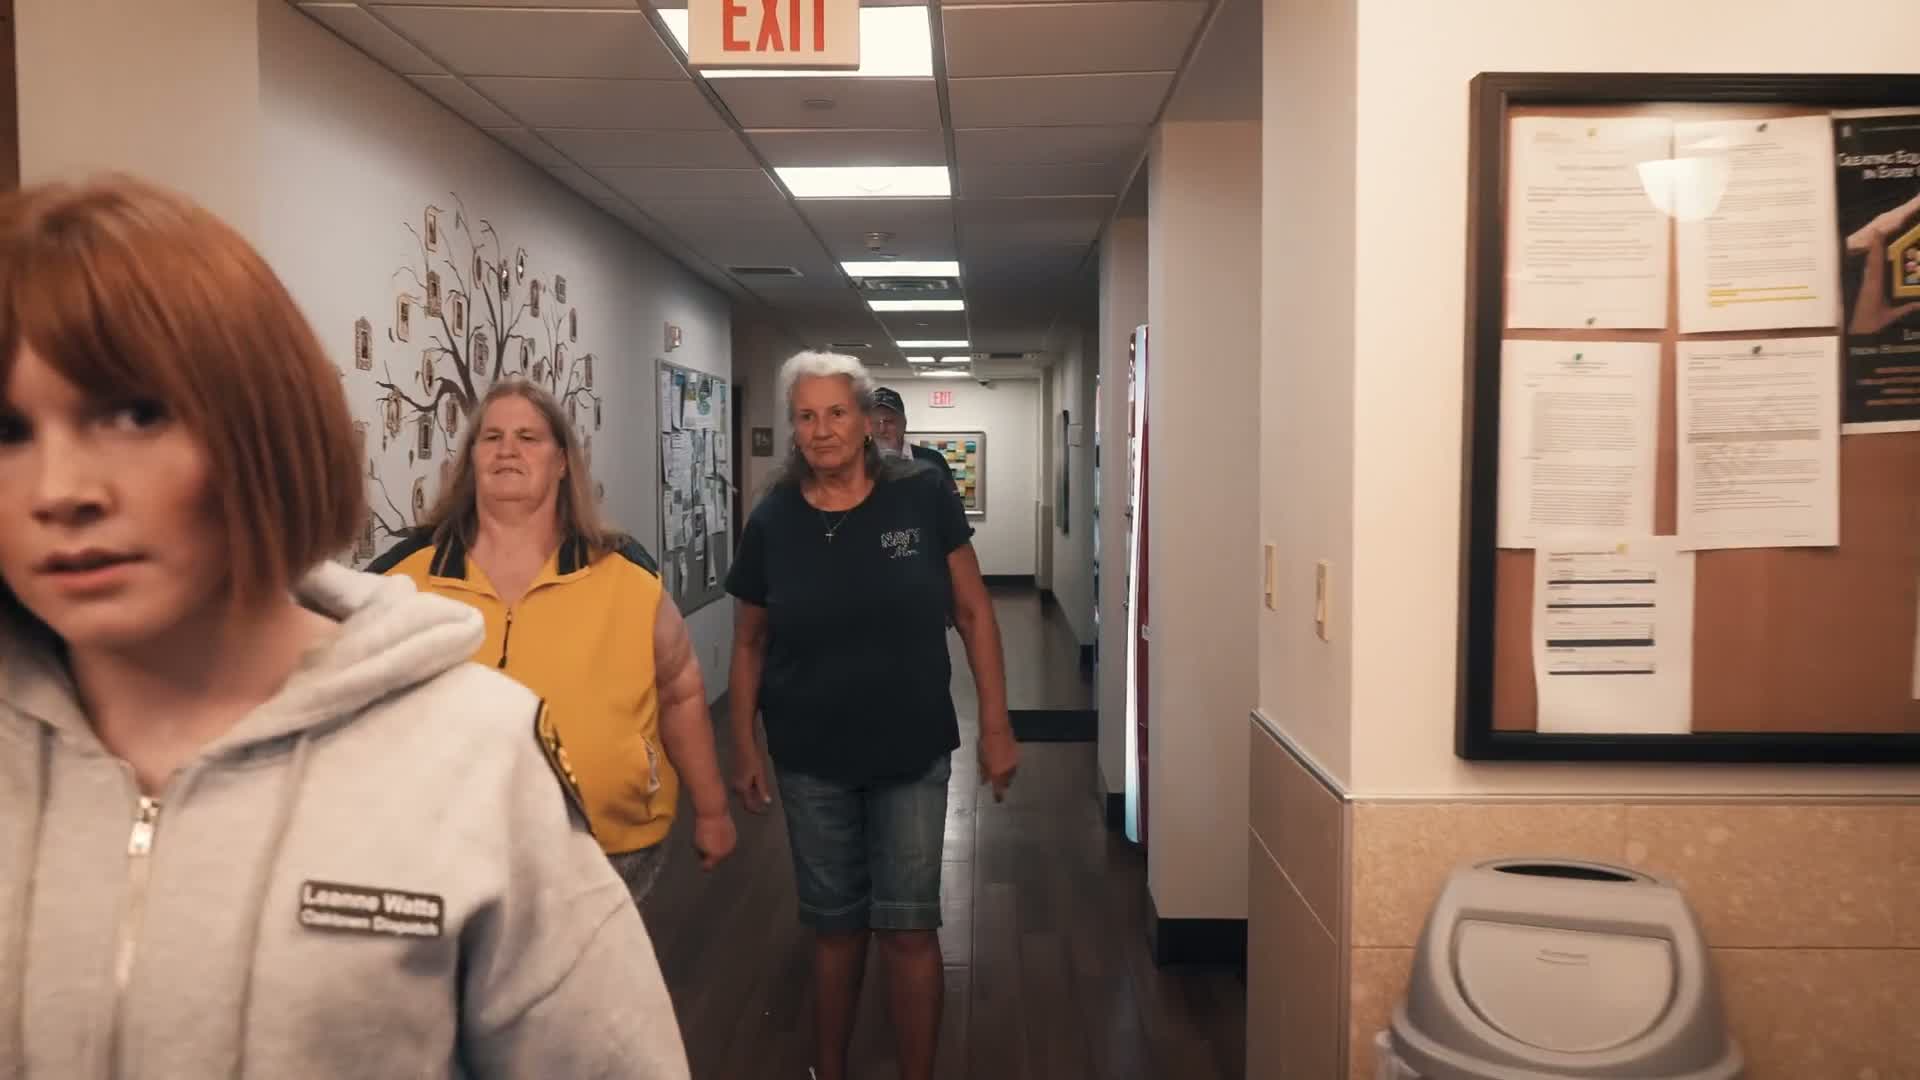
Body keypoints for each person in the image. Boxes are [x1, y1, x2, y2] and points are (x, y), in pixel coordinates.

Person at [0, 175, 689, 1077]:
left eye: (135, 415)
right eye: (9, 430)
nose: (60, 492)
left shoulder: (474, 758)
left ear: (265, 426)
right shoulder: (414, 567)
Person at [725, 351, 1020, 1080]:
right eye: (806, 416)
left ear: (866, 421)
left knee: (910, 928)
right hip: (810, 755)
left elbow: (974, 612)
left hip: (910, 749)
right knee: (835, 930)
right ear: (793, 428)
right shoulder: (773, 519)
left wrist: (997, 723)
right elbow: (750, 641)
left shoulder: (921, 495)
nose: (822, 429)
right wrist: (743, 743)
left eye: (836, 412)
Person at [370, 379, 735, 905]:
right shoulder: (405, 578)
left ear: (562, 461)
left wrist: (713, 808)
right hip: (447, 851)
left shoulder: (626, 574)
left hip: (608, 849)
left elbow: (680, 690)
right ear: (471, 460)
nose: (507, 450)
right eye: (491, 437)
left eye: (528, 437)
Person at [869, 386, 958, 494]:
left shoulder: (933, 461)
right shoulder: (857, 464)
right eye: (874, 422)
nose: (882, 429)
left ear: (904, 423)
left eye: (889, 421)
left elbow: (953, 504)